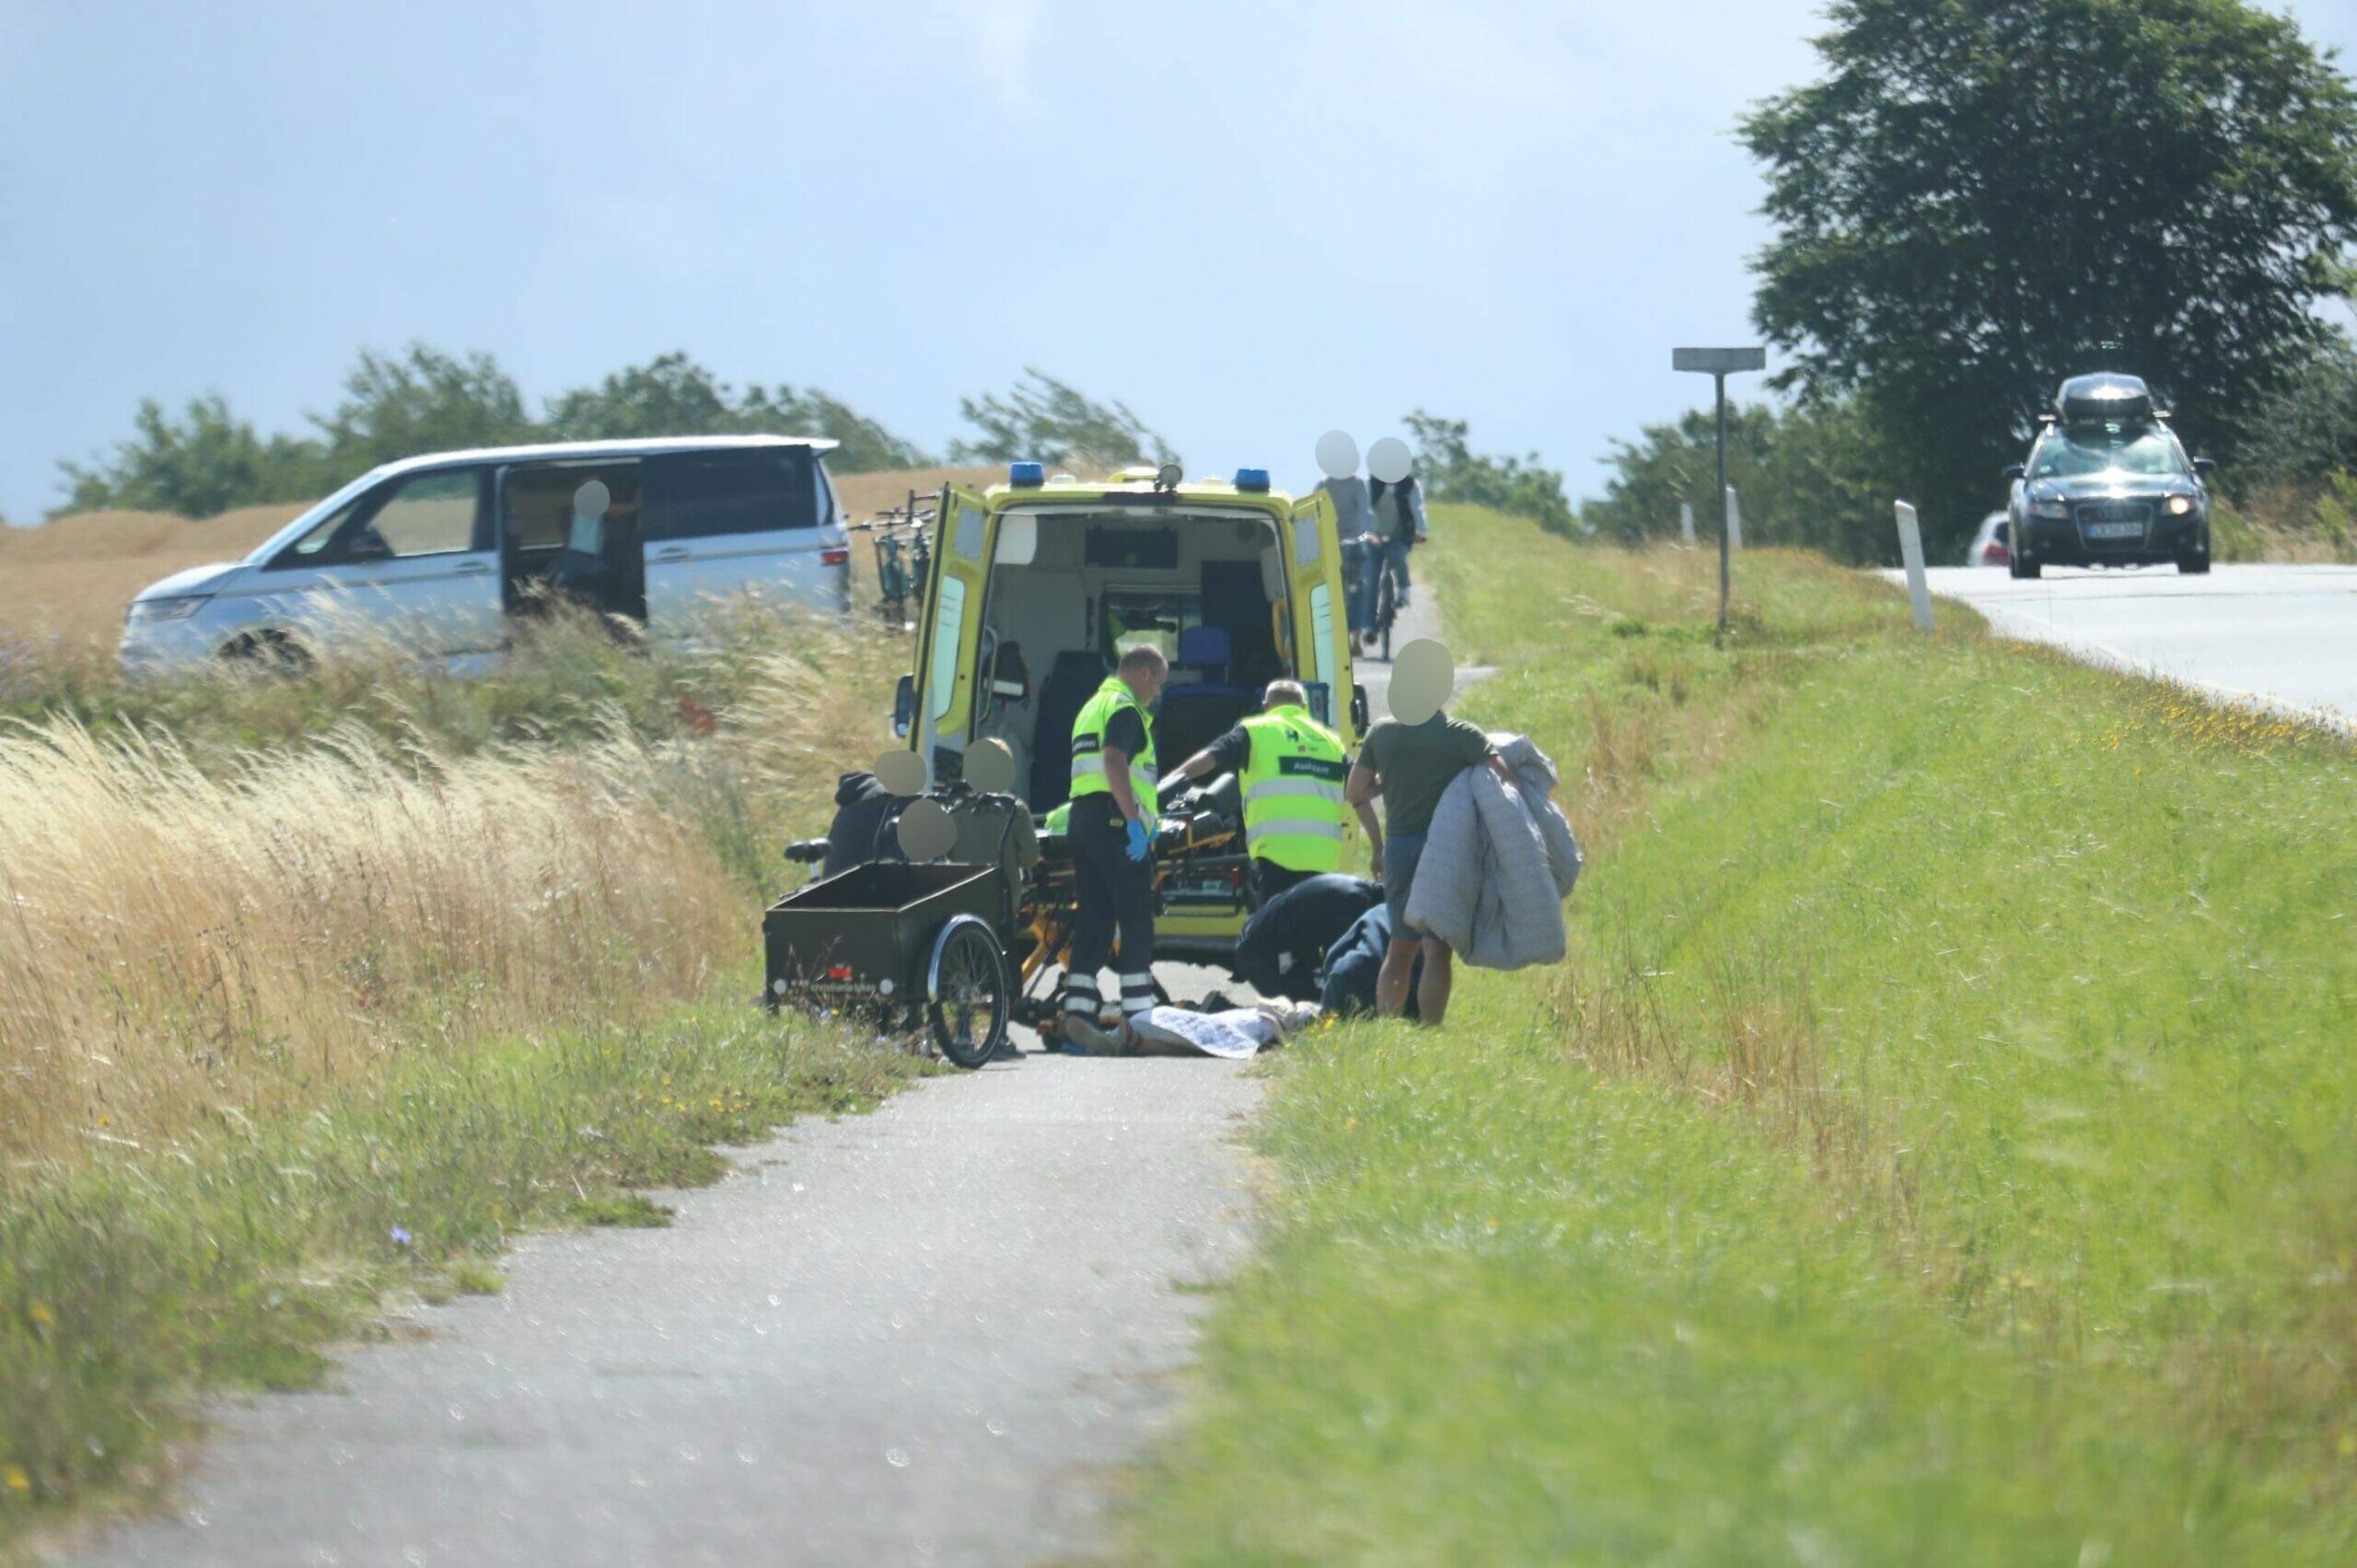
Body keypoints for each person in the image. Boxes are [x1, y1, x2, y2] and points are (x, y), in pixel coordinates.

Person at [1345, 701, 1511, 1026]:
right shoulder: (1460, 734)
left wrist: (1378, 846)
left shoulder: (1381, 732)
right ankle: (1430, 1029)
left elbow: (1355, 793)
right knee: (1436, 950)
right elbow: (1505, 780)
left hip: (1399, 849)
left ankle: (1388, 1030)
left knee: (1400, 947)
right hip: (1443, 851)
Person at [1062, 645, 1168, 1052]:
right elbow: (1113, 761)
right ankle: (1141, 1024)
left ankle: (1079, 1019)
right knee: (1137, 921)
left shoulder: (1092, 707)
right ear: (1142, 673)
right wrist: (1133, 822)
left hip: (1083, 821)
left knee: (1095, 921)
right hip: (1114, 823)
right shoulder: (1125, 709)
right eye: (1157, 683)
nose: (1157, 693)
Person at [1156, 679, 1350, 902]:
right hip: (1323, 861)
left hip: (1275, 858)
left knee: (1275, 931)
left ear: (1266, 705)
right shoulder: (1333, 742)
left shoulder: (1254, 731)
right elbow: (1362, 785)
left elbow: (1211, 757)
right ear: (1304, 707)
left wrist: (1169, 783)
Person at [1230, 873, 1382, 1003]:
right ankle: (1221, 1011)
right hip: (1261, 952)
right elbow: (1339, 961)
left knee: (1313, 997)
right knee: (1306, 1010)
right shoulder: (1355, 903)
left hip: (1260, 943)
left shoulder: (1356, 889)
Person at [1316, 470, 1377, 656]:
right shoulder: (1323, 484)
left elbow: (1366, 513)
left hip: (1354, 542)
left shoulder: (1358, 484)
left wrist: (1366, 536)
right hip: (1328, 543)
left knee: (1357, 588)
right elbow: (1314, 511)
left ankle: (1356, 638)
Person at [1363, 472, 1428, 614]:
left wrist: (1422, 531)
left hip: (1400, 534)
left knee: (1399, 558)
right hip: (1372, 534)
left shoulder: (1409, 484)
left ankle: (1403, 591)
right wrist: (1369, 536)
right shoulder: (1371, 484)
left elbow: (1417, 508)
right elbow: (1363, 511)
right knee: (1370, 570)